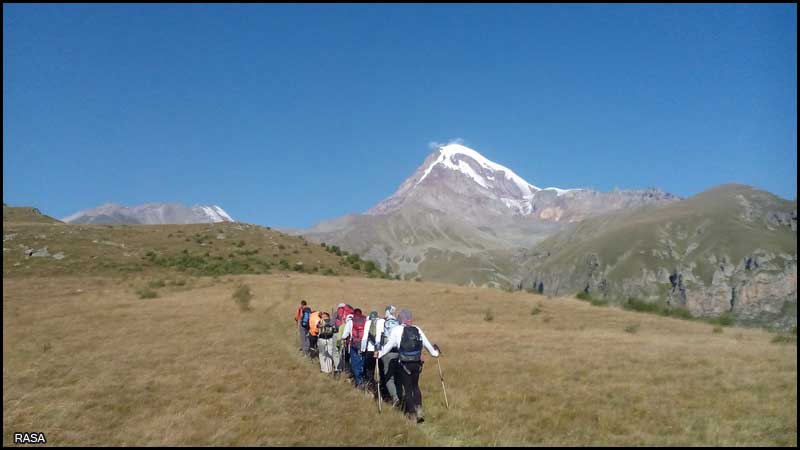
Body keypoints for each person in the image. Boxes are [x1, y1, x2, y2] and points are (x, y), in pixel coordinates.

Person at [378, 309, 439, 423]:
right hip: (417, 364)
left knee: (407, 388)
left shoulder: (396, 330)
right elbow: (427, 345)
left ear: (400, 319)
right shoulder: (417, 329)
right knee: (415, 386)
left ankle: (412, 414)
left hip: (404, 364)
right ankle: (419, 409)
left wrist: (379, 354)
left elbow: (388, 346)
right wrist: (435, 353)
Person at [376, 305, 401, 407]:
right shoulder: (399, 323)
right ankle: (401, 395)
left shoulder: (383, 323)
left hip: (386, 353)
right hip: (399, 353)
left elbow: (378, 339)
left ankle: (395, 398)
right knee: (398, 375)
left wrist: (378, 351)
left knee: (388, 377)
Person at [341, 308, 367, 388]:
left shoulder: (350, 322)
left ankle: (359, 382)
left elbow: (344, 335)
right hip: (364, 345)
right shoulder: (366, 321)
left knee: (355, 363)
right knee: (363, 362)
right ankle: (365, 379)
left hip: (354, 345)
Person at [361, 310, 382, 391]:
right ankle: (382, 388)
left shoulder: (368, 323)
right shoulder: (381, 322)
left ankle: (371, 386)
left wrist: (362, 349)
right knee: (381, 370)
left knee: (369, 369)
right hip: (380, 350)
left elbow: (365, 337)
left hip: (370, 350)